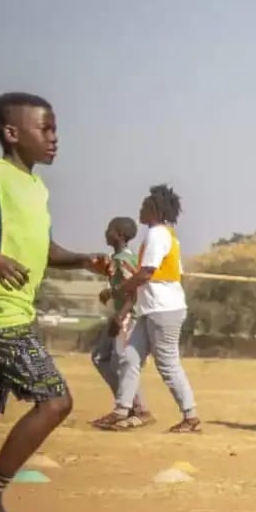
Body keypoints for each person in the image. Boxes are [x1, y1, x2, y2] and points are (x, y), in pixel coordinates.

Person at [0, 92, 108, 512]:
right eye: (46, 128)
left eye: (55, 129)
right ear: (12, 132)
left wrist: (81, 258)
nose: (55, 138)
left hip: (0, 311)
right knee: (55, 400)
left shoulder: (35, 187)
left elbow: (41, 248)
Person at [99, 185, 201, 433]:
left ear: (154, 209)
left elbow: (146, 274)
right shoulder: (164, 234)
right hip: (151, 310)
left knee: (167, 364)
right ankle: (122, 410)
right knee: (130, 358)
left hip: (163, 310)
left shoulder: (157, 234)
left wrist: (115, 291)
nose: (140, 210)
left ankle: (190, 416)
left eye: (144, 206)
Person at [88, 216, 150, 429]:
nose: (106, 233)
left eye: (110, 230)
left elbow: (133, 290)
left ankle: (136, 409)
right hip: (122, 314)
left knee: (125, 361)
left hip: (128, 316)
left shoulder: (123, 260)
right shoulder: (119, 258)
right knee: (100, 357)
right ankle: (130, 404)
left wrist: (120, 315)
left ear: (120, 235)